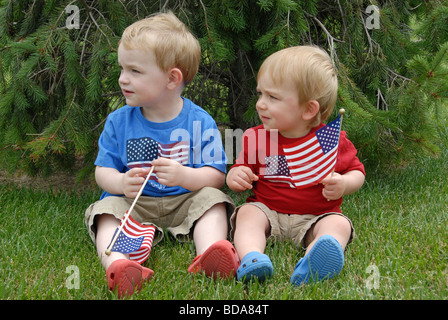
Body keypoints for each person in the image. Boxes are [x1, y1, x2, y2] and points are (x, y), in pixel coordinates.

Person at [85, 12, 238, 298]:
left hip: (185, 201)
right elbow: (102, 170)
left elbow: (216, 175)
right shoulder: (119, 121)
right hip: (135, 203)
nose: (122, 79)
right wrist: (120, 184)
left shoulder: (200, 121)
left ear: (171, 78)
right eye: (121, 69)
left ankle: (210, 253)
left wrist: (185, 176)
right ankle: (119, 263)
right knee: (105, 212)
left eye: (135, 71)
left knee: (214, 201)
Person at [226, 45, 366, 285]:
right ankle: (252, 257)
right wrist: (236, 176)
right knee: (248, 215)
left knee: (339, 224)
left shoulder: (329, 142)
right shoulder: (257, 137)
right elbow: (239, 168)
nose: (260, 104)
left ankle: (316, 258)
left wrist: (344, 183)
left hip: (316, 215)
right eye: (260, 94)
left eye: (273, 97)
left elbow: (357, 172)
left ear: (308, 110)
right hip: (268, 211)